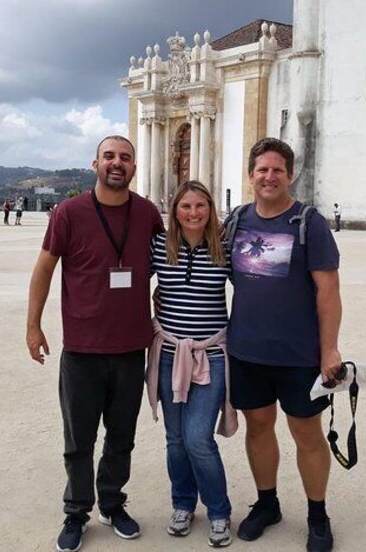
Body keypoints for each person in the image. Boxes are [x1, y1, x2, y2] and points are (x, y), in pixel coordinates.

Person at [26, 135, 163, 552]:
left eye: (124, 158)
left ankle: (112, 503)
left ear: (134, 168)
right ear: (95, 164)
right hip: (83, 349)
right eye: (109, 156)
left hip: (129, 348)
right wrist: (33, 327)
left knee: (122, 437)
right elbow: (44, 268)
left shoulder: (147, 214)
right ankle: (76, 512)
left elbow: (165, 268)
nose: (116, 163)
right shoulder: (70, 212)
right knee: (79, 439)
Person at [225, 138, 342, 552]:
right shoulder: (236, 221)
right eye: (262, 170)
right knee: (258, 429)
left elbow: (328, 292)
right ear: (251, 174)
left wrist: (329, 350)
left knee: (305, 433)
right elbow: (207, 269)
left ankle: (317, 513)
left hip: (298, 356)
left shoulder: (309, 223)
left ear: (290, 175)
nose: (269, 177)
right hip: (246, 352)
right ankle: (267, 503)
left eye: (277, 170)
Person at [146, 181, 235, 548]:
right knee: (175, 439)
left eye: (200, 206)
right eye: (186, 206)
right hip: (168, 355)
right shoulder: (158, 247)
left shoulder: (225, 250)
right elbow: (133, 282)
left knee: (198, 438)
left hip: (210, 357)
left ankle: (218, 510)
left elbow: (257, 290)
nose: (193, 212)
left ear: (210, 209)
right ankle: (182, 504)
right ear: (175, 210)